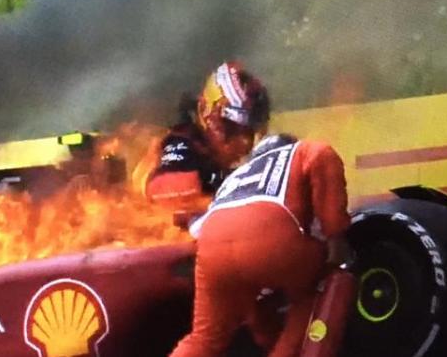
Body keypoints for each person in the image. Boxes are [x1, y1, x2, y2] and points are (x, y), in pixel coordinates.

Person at [167, 65, 352, 357]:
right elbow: (322, 155)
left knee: (205, 338)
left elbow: (197, 228)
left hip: (213, 249)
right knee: (317, 290)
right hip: (270, 243)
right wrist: (336, 236)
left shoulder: (237, 173)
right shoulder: (298, 151)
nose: (241, 140)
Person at [143, 61, 264, 206]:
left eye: (248, 131)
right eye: (230, 128)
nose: (244, 141)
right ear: (204, 111)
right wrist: (223, 182)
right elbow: (159, 187)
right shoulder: (182, 140)